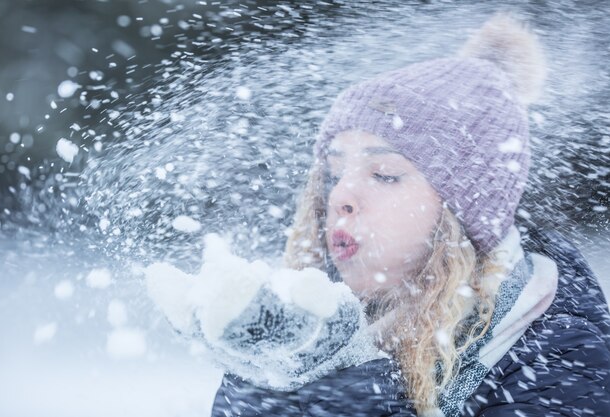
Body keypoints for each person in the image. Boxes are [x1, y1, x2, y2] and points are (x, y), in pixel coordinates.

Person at [210, 13, 610, 416]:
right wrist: (267, 380)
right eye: (333, 176)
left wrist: (345, 396)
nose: (340, 197)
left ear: (462, 215)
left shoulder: (554, 361)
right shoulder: (314, 329)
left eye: (384, 175)